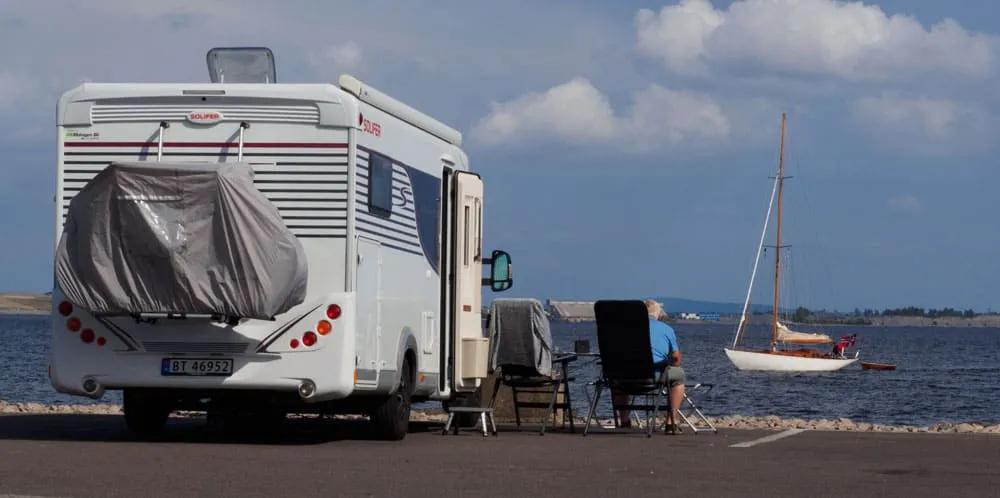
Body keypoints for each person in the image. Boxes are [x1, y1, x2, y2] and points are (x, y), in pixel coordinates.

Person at [614, 299, 686, 431]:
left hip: (626, 376)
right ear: (657, 313)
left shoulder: (625, 328)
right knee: (679, 377)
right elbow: (676, 359)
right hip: (654, 375)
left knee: (617, 380)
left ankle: (624, 420)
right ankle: (671, 421)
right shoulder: (666, 329)